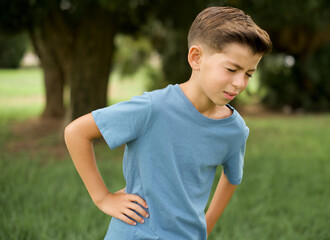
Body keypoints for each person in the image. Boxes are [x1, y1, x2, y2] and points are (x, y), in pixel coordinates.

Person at [64, 6, 272, 239]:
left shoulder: (234, 130)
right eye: (232, 69)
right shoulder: (152, 108)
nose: (239, 83)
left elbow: (232, 177)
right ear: (196, 57)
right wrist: (102, 197)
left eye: (248, 74)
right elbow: (76, 132)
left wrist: (206, 224)